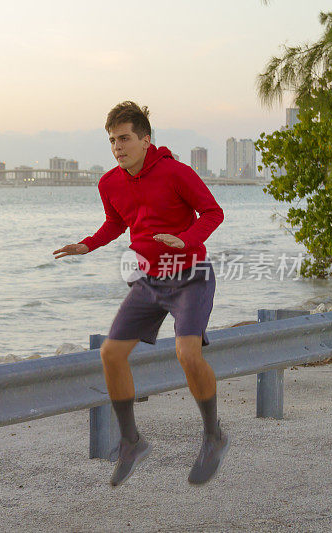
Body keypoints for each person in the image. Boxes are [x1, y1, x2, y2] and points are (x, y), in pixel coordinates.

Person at [53, 101, 227, 486]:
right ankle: (132, 442)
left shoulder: (177, 173)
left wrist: (185, 239)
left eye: (125, 138)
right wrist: (87, 245)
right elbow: (115, 222)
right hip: (149, 280)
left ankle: (213, 435)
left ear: (146, 140)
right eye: (112, 140)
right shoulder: (109, 182)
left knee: (186, 352)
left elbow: (213, 213)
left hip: (191, 275)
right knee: (111, 353)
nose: (118, 146)